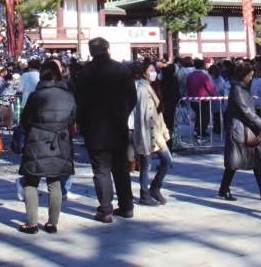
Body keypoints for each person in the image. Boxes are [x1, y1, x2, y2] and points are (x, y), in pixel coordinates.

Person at [75, 37, 137, 222]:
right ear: (108, 49)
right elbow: (132, 97)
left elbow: (79, 101)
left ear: (91, 52)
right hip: (118, 125)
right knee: (121, 168)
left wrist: (83, 121)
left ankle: (106, 209)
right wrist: (123, 113)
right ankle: (127, 206)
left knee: (101, 169)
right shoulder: (121, 69)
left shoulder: (85, 72)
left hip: (94, 128)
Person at [18, 59, 77, 234]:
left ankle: (32, 222)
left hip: (37, 138)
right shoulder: (68, 95)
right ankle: (52, 222)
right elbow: (73, 118)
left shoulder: (37, 95)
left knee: (31, 181)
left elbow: (26, 120)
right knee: (55, 181)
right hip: (59, 139)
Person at [218, 61, 261, 201]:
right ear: (243, 75)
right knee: (234, 163)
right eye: (249, 75)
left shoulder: (242, 87)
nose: (251, 78)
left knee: (257, 162)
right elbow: (246, 111)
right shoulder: (237, 89)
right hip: (240, 129)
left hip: (248, 129)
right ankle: (224, 189)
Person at [131, 61, 172, 206]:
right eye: (151, 70)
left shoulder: (152, 87)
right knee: (146, 165)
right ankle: (144, 193)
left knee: (167, 160)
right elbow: (141, 115)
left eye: (154, 70)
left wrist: (165, 131)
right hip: (147, 133)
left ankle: (155, 187)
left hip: (157, 132)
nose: (154, 72)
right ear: (144, 73)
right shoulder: (142, 89)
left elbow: (158, 114)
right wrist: (143, 138)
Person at [186, 59, 215, 139]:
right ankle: (201, 131)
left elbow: (187, 87)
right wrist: (212, 95)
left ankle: (197, 129)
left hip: (193, 99)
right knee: (204, 116)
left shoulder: (189, 76)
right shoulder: (204, 76)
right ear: (202, 65)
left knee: (199, 115)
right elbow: (210, 87)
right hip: (203, 99)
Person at [209, 63, 229, 135]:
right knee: (217, 115)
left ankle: (221, 128)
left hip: (220, 99)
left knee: (220, 115)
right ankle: (218, 128)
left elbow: (223, 90)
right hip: (215, 100)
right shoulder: (214, 79)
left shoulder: (220, 80)